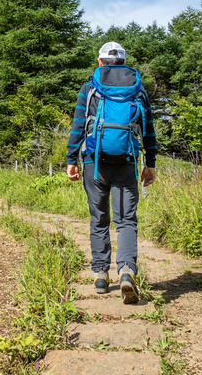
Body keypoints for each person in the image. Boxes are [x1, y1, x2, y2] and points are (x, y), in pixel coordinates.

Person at [66, 41, 157, 303]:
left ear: (100, 61)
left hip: (94, 162)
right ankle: (127, 270)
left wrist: (72, 158)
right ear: (124, 62)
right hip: (127, 160)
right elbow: (148, 128)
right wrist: (150, 163)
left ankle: (101, 275)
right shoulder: (137, 90)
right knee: (126, 220)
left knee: (99, 219)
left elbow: (79, 125)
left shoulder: (90, 88)